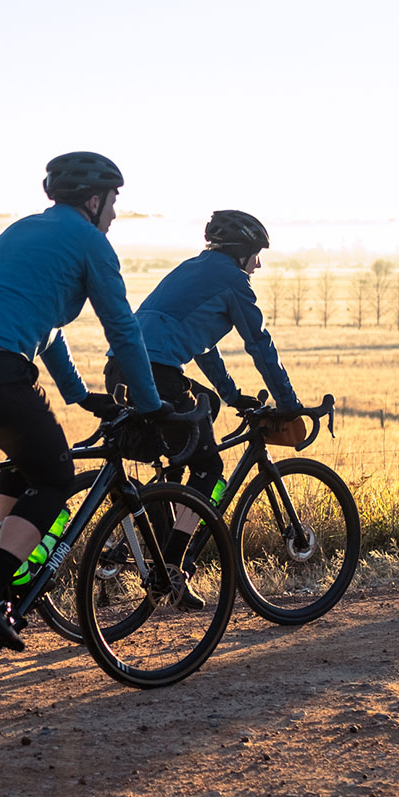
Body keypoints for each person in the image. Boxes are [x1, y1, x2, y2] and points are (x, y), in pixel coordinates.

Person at [0, 151, 167, 650]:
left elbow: (47, 328)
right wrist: (152, 405)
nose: (115, 214)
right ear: (94, 200)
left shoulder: (22, 231)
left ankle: (6, 580)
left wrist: (79, 396)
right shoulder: (90, 243)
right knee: (56, 475)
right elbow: (122, 328)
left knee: (27, 459)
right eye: (114, 202)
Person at [104, 209, 302, 575]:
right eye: (256, 254)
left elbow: (202, 343)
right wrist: (289, 403)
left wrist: (230, 394)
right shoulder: (233, 282)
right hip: (157, 374)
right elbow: (259, 344)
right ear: (242, 251)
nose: (257, 265)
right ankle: (175, 568)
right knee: (209, 467)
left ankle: (163, 516)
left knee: (204, 404)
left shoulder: (193, 269)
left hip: (119, 367)